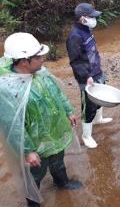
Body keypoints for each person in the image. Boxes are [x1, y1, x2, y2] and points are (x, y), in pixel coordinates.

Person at [0, 32, 82, 207]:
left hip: (54, 131)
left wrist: (68, 111)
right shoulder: (7, 89)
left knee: (58, 161)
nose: (43, 59)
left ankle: (62, 183)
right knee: (35, 174)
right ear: (24, 61)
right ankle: (33, 202)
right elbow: (12, 126)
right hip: (34, 143)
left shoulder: (40, 71)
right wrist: (27, 151)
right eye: (39, 57)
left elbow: (57, 91)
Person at [66, 3, 112, 149]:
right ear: (83, 18)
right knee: (88, 106)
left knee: (100, 98)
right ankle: (86, 136)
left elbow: (92, 52)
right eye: (92, 17)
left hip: (97, 72)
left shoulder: (87, 30)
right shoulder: (74, 37)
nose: (94, 19)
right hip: (86, 77)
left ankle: (98, 120)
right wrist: (86, 77)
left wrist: (98, 69)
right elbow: (75, 61)